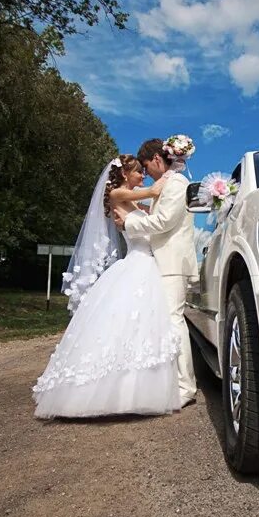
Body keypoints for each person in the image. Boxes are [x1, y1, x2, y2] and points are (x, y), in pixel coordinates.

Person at [32, 154, 180, 418]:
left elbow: (152, 211)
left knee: (140, 328)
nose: (143, 175)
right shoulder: (117, 194)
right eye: (139, 171)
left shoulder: (131, 199)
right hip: (138, 262)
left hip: (146, 263)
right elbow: (155, 191)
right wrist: (174, 169)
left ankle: (134, 391)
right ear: (124, 174)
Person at [115, 138, 199, 406]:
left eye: (146, 167)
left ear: (156, 159)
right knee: (165, 323)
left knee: (174, 322)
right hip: (161, 263)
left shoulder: (176, 184)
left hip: (172, 263)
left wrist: (128, 223)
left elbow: (164, 222)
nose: (146, 173)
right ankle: (169, 380)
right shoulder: (165, 184)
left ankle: (186, 388)